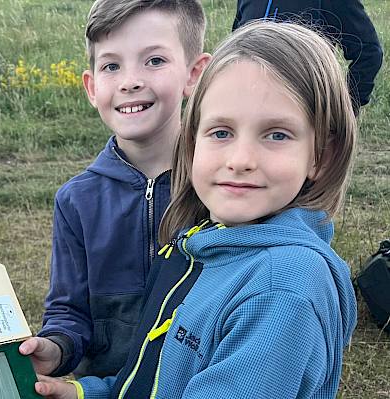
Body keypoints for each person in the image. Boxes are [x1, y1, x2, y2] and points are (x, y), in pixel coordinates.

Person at [36, 21, 358, 399]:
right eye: (221, 132)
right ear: (192, 143)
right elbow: (151, 376)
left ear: (322, 154)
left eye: (277, 134)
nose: (240, 160)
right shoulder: (200, 243)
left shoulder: (281, 289)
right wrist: (84, 393)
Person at [18, 0, 210, 381]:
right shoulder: (75, 201)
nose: (129, 81)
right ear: (91, 87)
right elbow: (69, 312)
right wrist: (54, 349)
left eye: (154, 61)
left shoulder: (221, 187)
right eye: (111, 66)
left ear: (194, 74)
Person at [232, 0, 383, 115]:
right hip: (247, 110)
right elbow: (236, 46)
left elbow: (368, 52)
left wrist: (343, 109)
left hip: (303, 113)